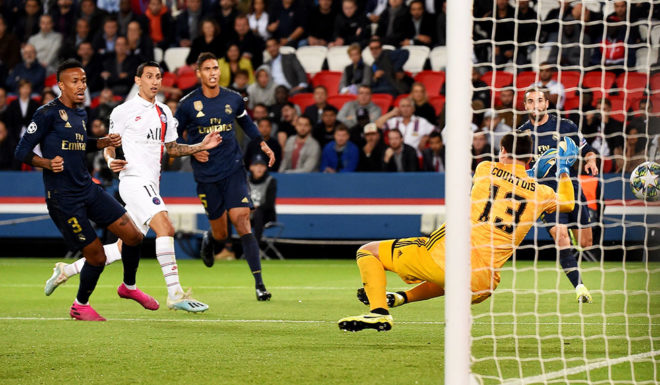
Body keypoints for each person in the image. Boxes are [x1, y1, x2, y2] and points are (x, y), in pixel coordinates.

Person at [337, 132, 578, 332]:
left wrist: (528, 171)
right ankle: (402, 297)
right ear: (529, 157)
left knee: (368, 252)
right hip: (484, 283)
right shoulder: (542, 193)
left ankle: (379, 312)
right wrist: (564, 170)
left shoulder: (486, 168)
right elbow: (568, 204)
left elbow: (508, 180)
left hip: (449, 257)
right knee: (454, 281)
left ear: (503, 151)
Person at [44, 60, 222, 312]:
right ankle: (175, 294)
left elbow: (172, 149)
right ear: (138, 81)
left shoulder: (164, 113)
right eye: (149, 76)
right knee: (166, 227)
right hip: (133, 181)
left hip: (151, 184)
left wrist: (200, 146)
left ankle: (67, 270)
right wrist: (109, 159)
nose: (155, 81)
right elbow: (109, 143)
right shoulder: (123, 111)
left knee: (122, 246)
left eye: (159, 76)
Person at [15, 59, 150, 321]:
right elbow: (21, 151)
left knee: (134, 236)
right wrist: (46, 163)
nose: (81, 86)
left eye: (84, 81)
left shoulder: (81, 112)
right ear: (60, 85)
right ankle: (80, 305)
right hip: (64, 199)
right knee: (97, 257)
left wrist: (102, 142)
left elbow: (77, 144)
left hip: (88, 189)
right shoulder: (46, 113)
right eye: (75, 81)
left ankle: (129, 288)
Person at [175, 52, 276, 301]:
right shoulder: (188, 104)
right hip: (207, 176)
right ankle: (212, 238)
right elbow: (173, 139)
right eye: (207, 68)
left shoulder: (233, 98)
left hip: (233, 169)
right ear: (199, 73)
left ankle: (260, 284)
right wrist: (193, 151)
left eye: (215, 68)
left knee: (242, 220)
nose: (212, 73)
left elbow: (247, 123)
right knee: (221, 234)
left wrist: (261, 143)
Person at [518, 87, 596, 303]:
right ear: (525, 106)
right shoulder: (521, 134)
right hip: (546, 197)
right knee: (561, 238)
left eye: (540, 100)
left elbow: (586, 148)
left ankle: (570, 236)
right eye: (531, 101)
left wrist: (590, 159)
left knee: (586, 242)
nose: (536, 104)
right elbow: (516, 166)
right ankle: (580, 288)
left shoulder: (566, 126)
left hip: (570, 190)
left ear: (547, 104)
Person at [247, 153, 277, 242]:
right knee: (228, 213)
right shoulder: (245, 181)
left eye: (262, 165)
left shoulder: (270, 181)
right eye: (256, 165)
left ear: (265, 168)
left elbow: (269, 203)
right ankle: (228, 247)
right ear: (251, 167)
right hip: (248, 215)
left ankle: (255, 246)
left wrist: (254, 208)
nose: (259, 168)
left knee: (258, 213)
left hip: (266, 216)